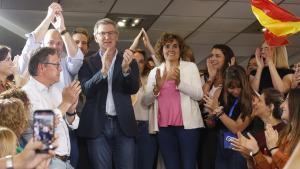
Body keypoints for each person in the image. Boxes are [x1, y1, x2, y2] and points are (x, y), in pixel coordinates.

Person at [77, 18, 140, 169]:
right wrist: (103, 72)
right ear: (96, 37)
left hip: (123, 123)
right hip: (97, 125)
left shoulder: (129, 61)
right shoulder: (87, 62)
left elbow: (133, 88)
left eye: (111, 33)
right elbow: (86, 89)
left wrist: (125, 70)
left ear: (117, 36)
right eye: (103, 33)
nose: (107, 37)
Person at [143, 32, 204, 169]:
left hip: (188, 128)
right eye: (167, 46)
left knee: (188, 166)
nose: (171, 49)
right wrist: (156, 88)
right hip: (164, 129)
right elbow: (146, 101)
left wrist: (179, 83)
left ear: (180, 49)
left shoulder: (190, 67)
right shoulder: (155, 72)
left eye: (175, 46)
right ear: (161, 50)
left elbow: (199, 95)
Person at [22, 47, 81, 169]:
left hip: (66, 161)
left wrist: (71, 110)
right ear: (42, 67)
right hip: (45, 162)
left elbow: (74, 125)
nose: (60, 69)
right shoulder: (26, 93)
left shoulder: (56, 91)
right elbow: (42, 130)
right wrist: (66, 102)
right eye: (57, 64)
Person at [17, 2, 83, 91]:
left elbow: (77, 58)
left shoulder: (66, 65)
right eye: (50, 42)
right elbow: (31, 44)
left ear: (63, 46)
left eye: (59, 43)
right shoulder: (31, 62)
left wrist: (62, 30)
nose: (54, 46)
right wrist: (49, 18)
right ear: (43, 44)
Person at [232, 88, 300, 169]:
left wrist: (274, 149)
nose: (281, 106)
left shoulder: (280, 132)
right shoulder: (286, 134)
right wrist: (254, 153)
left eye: (287, 100)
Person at [204, 65, 253, 169]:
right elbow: (211, 125)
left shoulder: (251, 99)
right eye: (231, 88)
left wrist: (219, 112)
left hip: (240, 143)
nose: (235, 91)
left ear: (244, 83)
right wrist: (211, 117)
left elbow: (237, 129)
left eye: (239, 87)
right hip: (222, 141)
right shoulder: (219, 93)